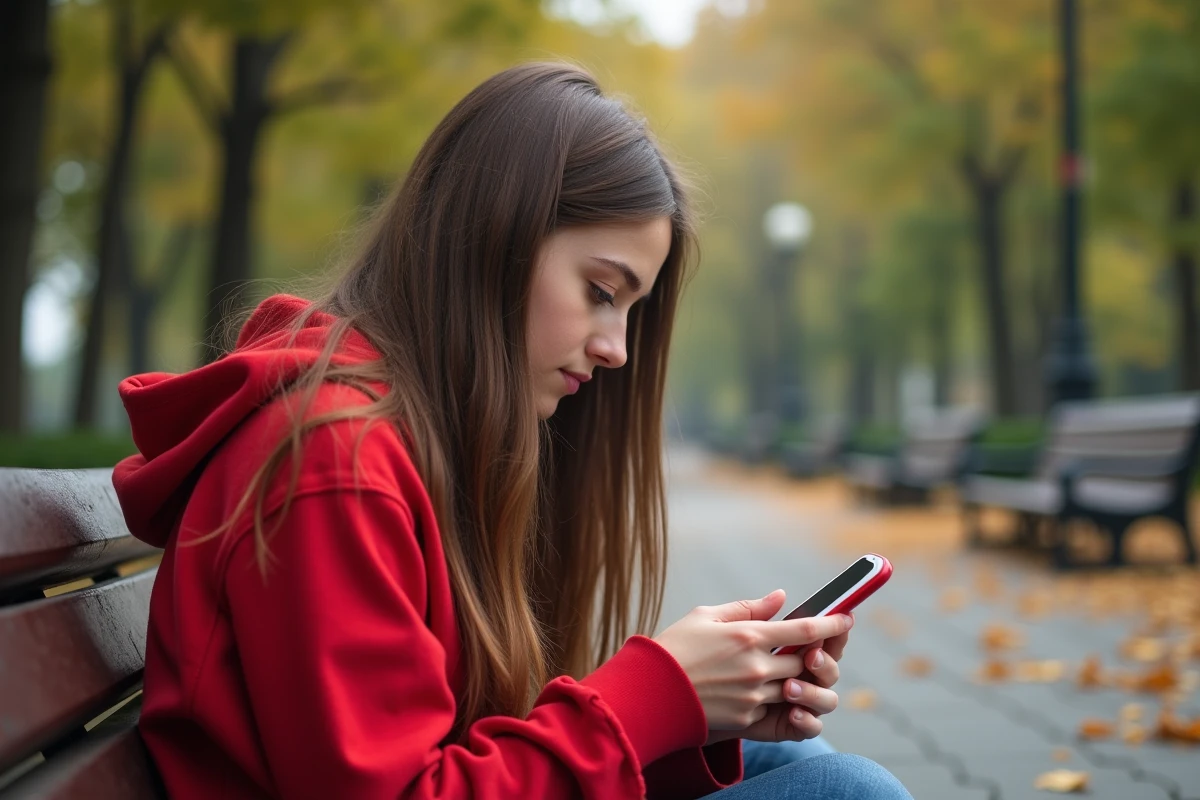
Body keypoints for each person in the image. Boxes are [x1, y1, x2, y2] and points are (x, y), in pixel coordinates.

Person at [113, 62, 911, 800]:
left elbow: (460, 749)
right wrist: (656, 695)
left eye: (631, 311)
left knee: (795, 762)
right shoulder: (331, 461)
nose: (618, 349)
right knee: (847, 793)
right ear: (493, 237)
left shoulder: (419, 439)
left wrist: (696, 713)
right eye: (602, 291)